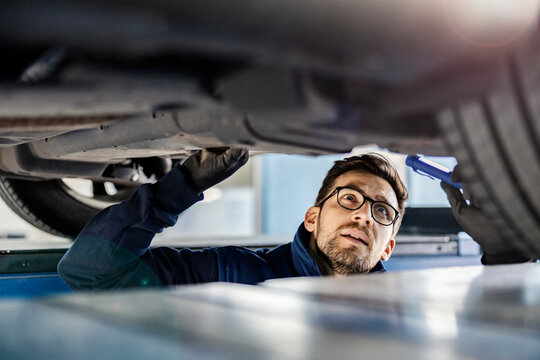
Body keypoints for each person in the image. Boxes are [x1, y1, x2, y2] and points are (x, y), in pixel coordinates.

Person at [58, 148, 530, 291]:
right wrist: (181, 186)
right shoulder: (230, 273)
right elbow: (87, 271)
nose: (365, 214)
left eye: (382, 211)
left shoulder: (406, 309)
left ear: (388, 244)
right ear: (312, 216)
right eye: (350, 198)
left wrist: (507, 257)